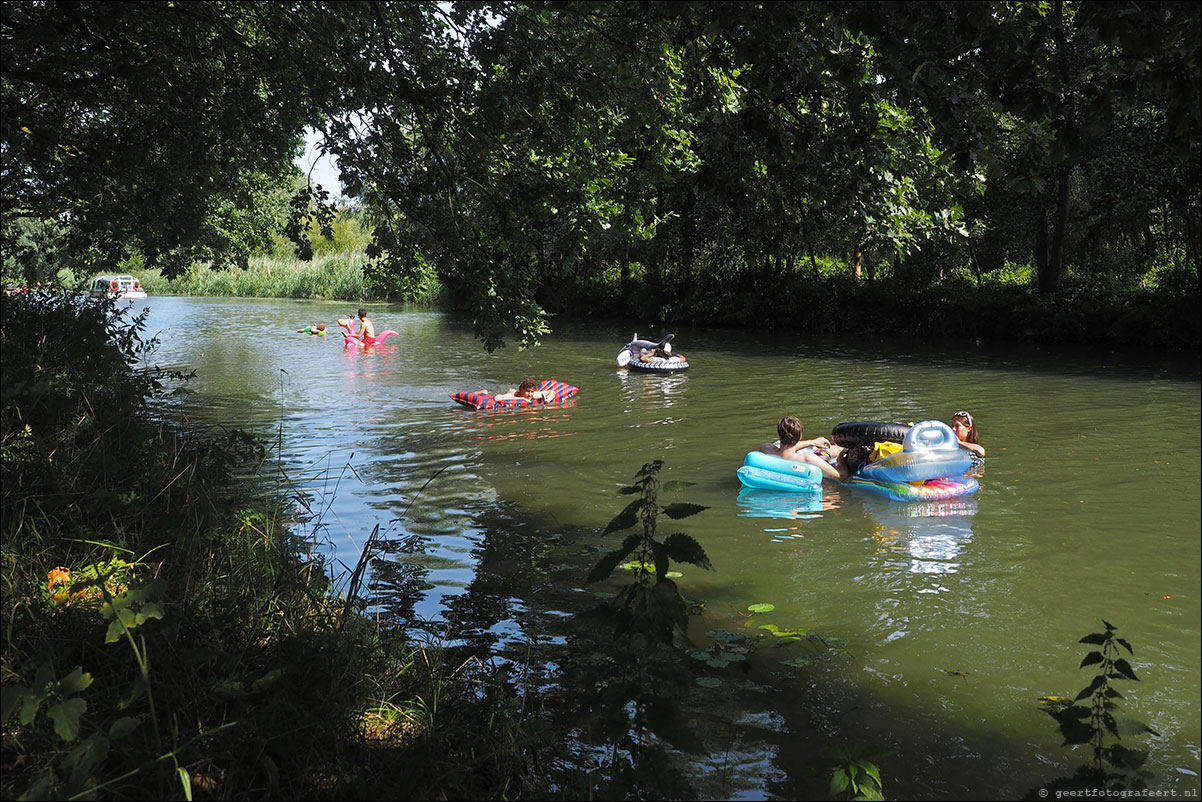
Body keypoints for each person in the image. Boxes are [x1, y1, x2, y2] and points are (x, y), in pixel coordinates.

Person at [760, 415, 850, 481]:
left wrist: (812, 442)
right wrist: (841, 458)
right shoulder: (807, 457)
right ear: (800, 437)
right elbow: (842, 475)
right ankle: (845, 449)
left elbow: (784, 448)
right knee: (827, 450)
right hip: (822, 477)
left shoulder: (766, 449)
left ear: (779, 436)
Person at [479, 377, 553, 403]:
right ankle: (482, 392)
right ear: (521, 389)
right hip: (512, 395)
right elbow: (497, 398)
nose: (530, 394)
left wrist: (548, 399)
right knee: (485, 393)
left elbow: (551, 391)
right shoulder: (514, 394)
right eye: (527, 391)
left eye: (532, 392)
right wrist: (522, 398)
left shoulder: (533, 395)